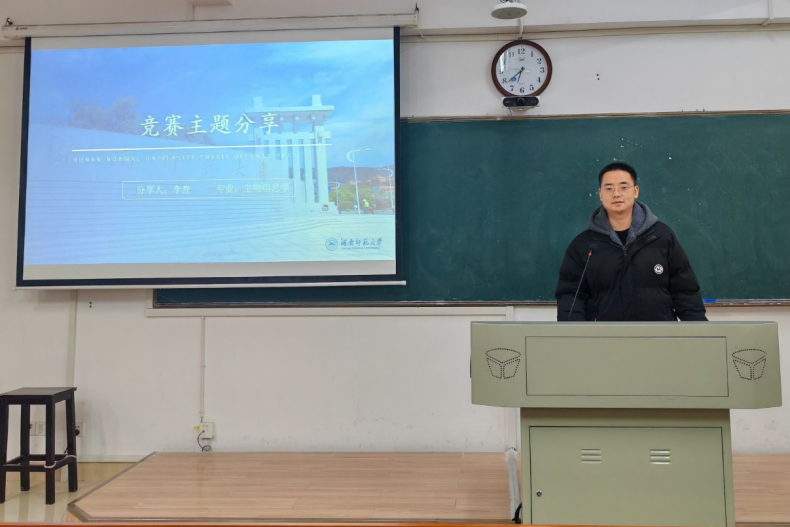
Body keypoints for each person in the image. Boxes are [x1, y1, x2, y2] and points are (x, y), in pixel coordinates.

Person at [555, 161, 707, 322]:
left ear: (635, 191)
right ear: (600, 194)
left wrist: (699, 330)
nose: (616, 194)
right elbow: (571, 295)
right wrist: (573, 333)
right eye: (609, 188)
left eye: (623, 187)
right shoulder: (583, 245)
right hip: (605, 335)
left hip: (657, 334)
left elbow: (685, 290)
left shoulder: (661, 236)